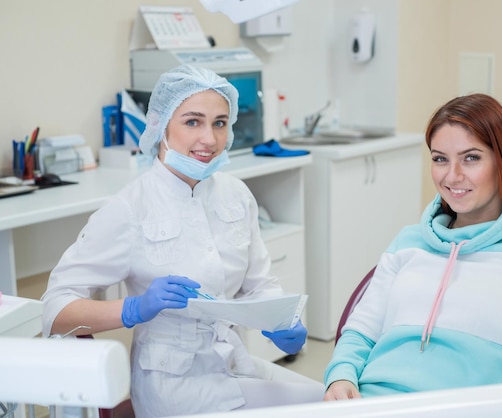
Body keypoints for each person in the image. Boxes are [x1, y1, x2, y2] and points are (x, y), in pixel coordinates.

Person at [41, 64, 324, 417]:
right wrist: (133, 309)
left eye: (220, 123)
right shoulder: (129, 208)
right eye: (193, 122)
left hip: (231, 361)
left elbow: (259, 285)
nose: (209, 139)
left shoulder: (236, 195)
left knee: (336, 402)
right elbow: (55, 310)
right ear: (161, 125)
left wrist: (281, 323)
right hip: (172, 387)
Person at [323, 93, 502, 400]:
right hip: (374, 402)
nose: (452, 176)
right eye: (440, 158)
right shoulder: (408, 242)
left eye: (471, 157)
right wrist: (340, 377)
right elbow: (361, 330)